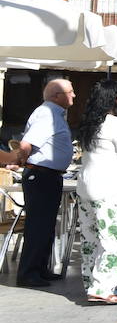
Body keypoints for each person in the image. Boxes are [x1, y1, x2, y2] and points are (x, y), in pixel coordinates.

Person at [73, 79, 117, 304]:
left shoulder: (88, 123)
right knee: (114, 238)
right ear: (115, 98)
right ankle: (103, 287)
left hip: (86, 186)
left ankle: (93, 283)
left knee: (90, 238)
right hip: (110, 187)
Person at [14, 78, 76, 287]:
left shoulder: (54, 114)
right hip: (41, 175)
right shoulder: (47, 114)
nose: (74, 95)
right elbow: (27, 144)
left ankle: (40, 268)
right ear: (56, 96)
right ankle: (28, 273)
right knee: (38, 225)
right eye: (70, 92)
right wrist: (18, 160)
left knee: (47, 225)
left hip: (49, 175)